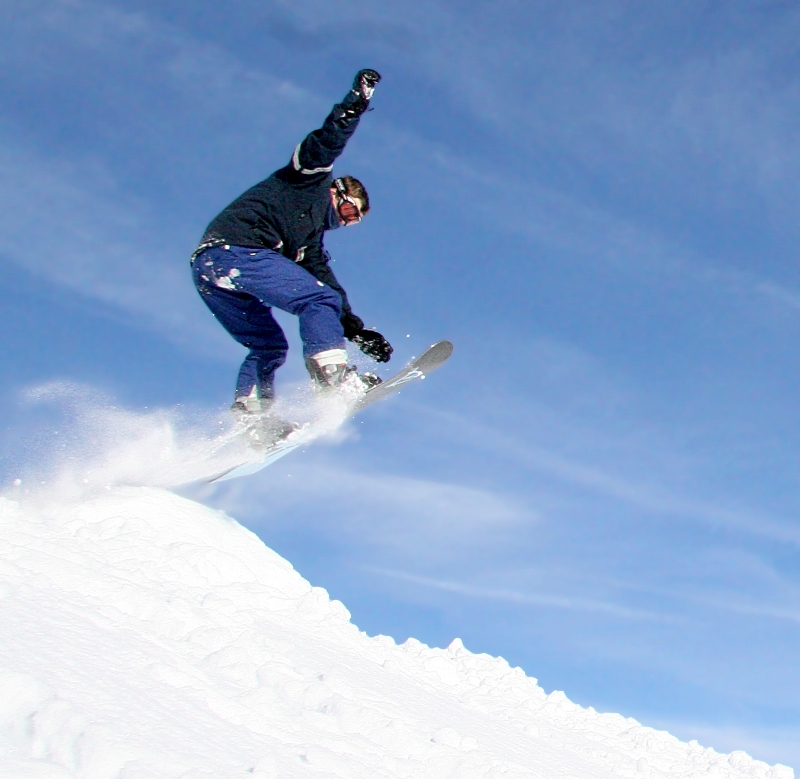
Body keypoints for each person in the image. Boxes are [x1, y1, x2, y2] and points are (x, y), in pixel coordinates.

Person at [191, 70, 393, 438]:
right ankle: (332, 381)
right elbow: (328, 140)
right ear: (338, 193)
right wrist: (356, 103)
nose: (346, 223)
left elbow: (326, 283)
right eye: (349, 213)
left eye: (354, 222)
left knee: (268, 344)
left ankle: (254, 418)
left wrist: (356, 330)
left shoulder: (307, 244)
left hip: (210, 271)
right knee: (317, 300)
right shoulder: (309, 179)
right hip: (236, 250)